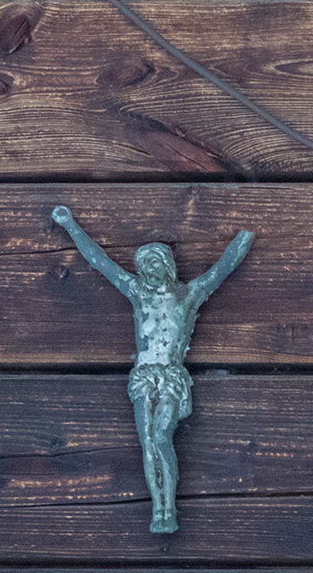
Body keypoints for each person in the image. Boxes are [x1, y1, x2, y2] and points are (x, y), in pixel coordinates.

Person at [51, 205, 254, 533]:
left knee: (161, 436)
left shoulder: (188, 294)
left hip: (171, 375)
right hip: (144, 376)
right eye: (143, 264)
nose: (148, 268)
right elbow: (99, 261)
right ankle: (159, 511)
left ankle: (169, 505)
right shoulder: (137, 293)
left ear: (167, 264)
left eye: (154, 261)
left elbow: (221, 268)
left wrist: (245, 236)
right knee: (147, 441)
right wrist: (70, 224)